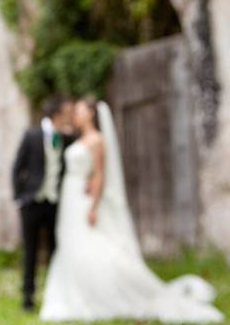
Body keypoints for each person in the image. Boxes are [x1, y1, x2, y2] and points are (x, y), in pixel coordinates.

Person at [40, 98, 223, 322]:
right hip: (72, 196)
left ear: (91, 114)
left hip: (84, 200)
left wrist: (93, 206)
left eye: (79, 111)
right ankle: (70, 289)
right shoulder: (76, 137)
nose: (75, 115)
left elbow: (99, 173)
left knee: (86, 242)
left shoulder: (97, 140)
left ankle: (97, 290)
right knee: (69, 241)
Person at [12, 95, 75, 312]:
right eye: (67, 112)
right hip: (32, 203)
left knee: (55, 251)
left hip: (55, 203)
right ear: (56, 114)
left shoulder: (67, 138)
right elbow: (17, 168)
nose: (70, 116)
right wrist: (19, 198)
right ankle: (27, 297)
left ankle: (54, 294)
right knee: (30, 251)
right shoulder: (32, 135)